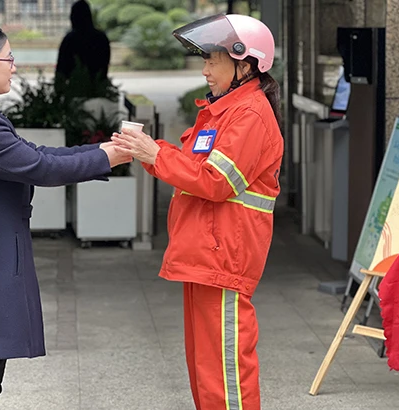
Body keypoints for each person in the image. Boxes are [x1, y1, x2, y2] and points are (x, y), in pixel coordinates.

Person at [0, 21, 130, 409]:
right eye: (8, 59)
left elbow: (36, 155)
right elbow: (42, 168)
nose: (14, 66)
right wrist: (108, 157)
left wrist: (102, 151)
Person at [112, 14, 283, 410]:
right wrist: (150, 151)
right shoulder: (225, 111)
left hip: (224, 257)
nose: (204, 70)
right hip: (207, 255)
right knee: (207, 370)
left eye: (212, 60)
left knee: (225, 374)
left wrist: (155, 155)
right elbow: (194, 169)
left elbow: (214, 181)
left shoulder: (250, 114)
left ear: (244, 65)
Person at [55, 0, 111, 91]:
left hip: (74, 89)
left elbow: (61, 70)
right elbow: (104, 65)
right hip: (98, 89)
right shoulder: (101, 38)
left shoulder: (70, 39)